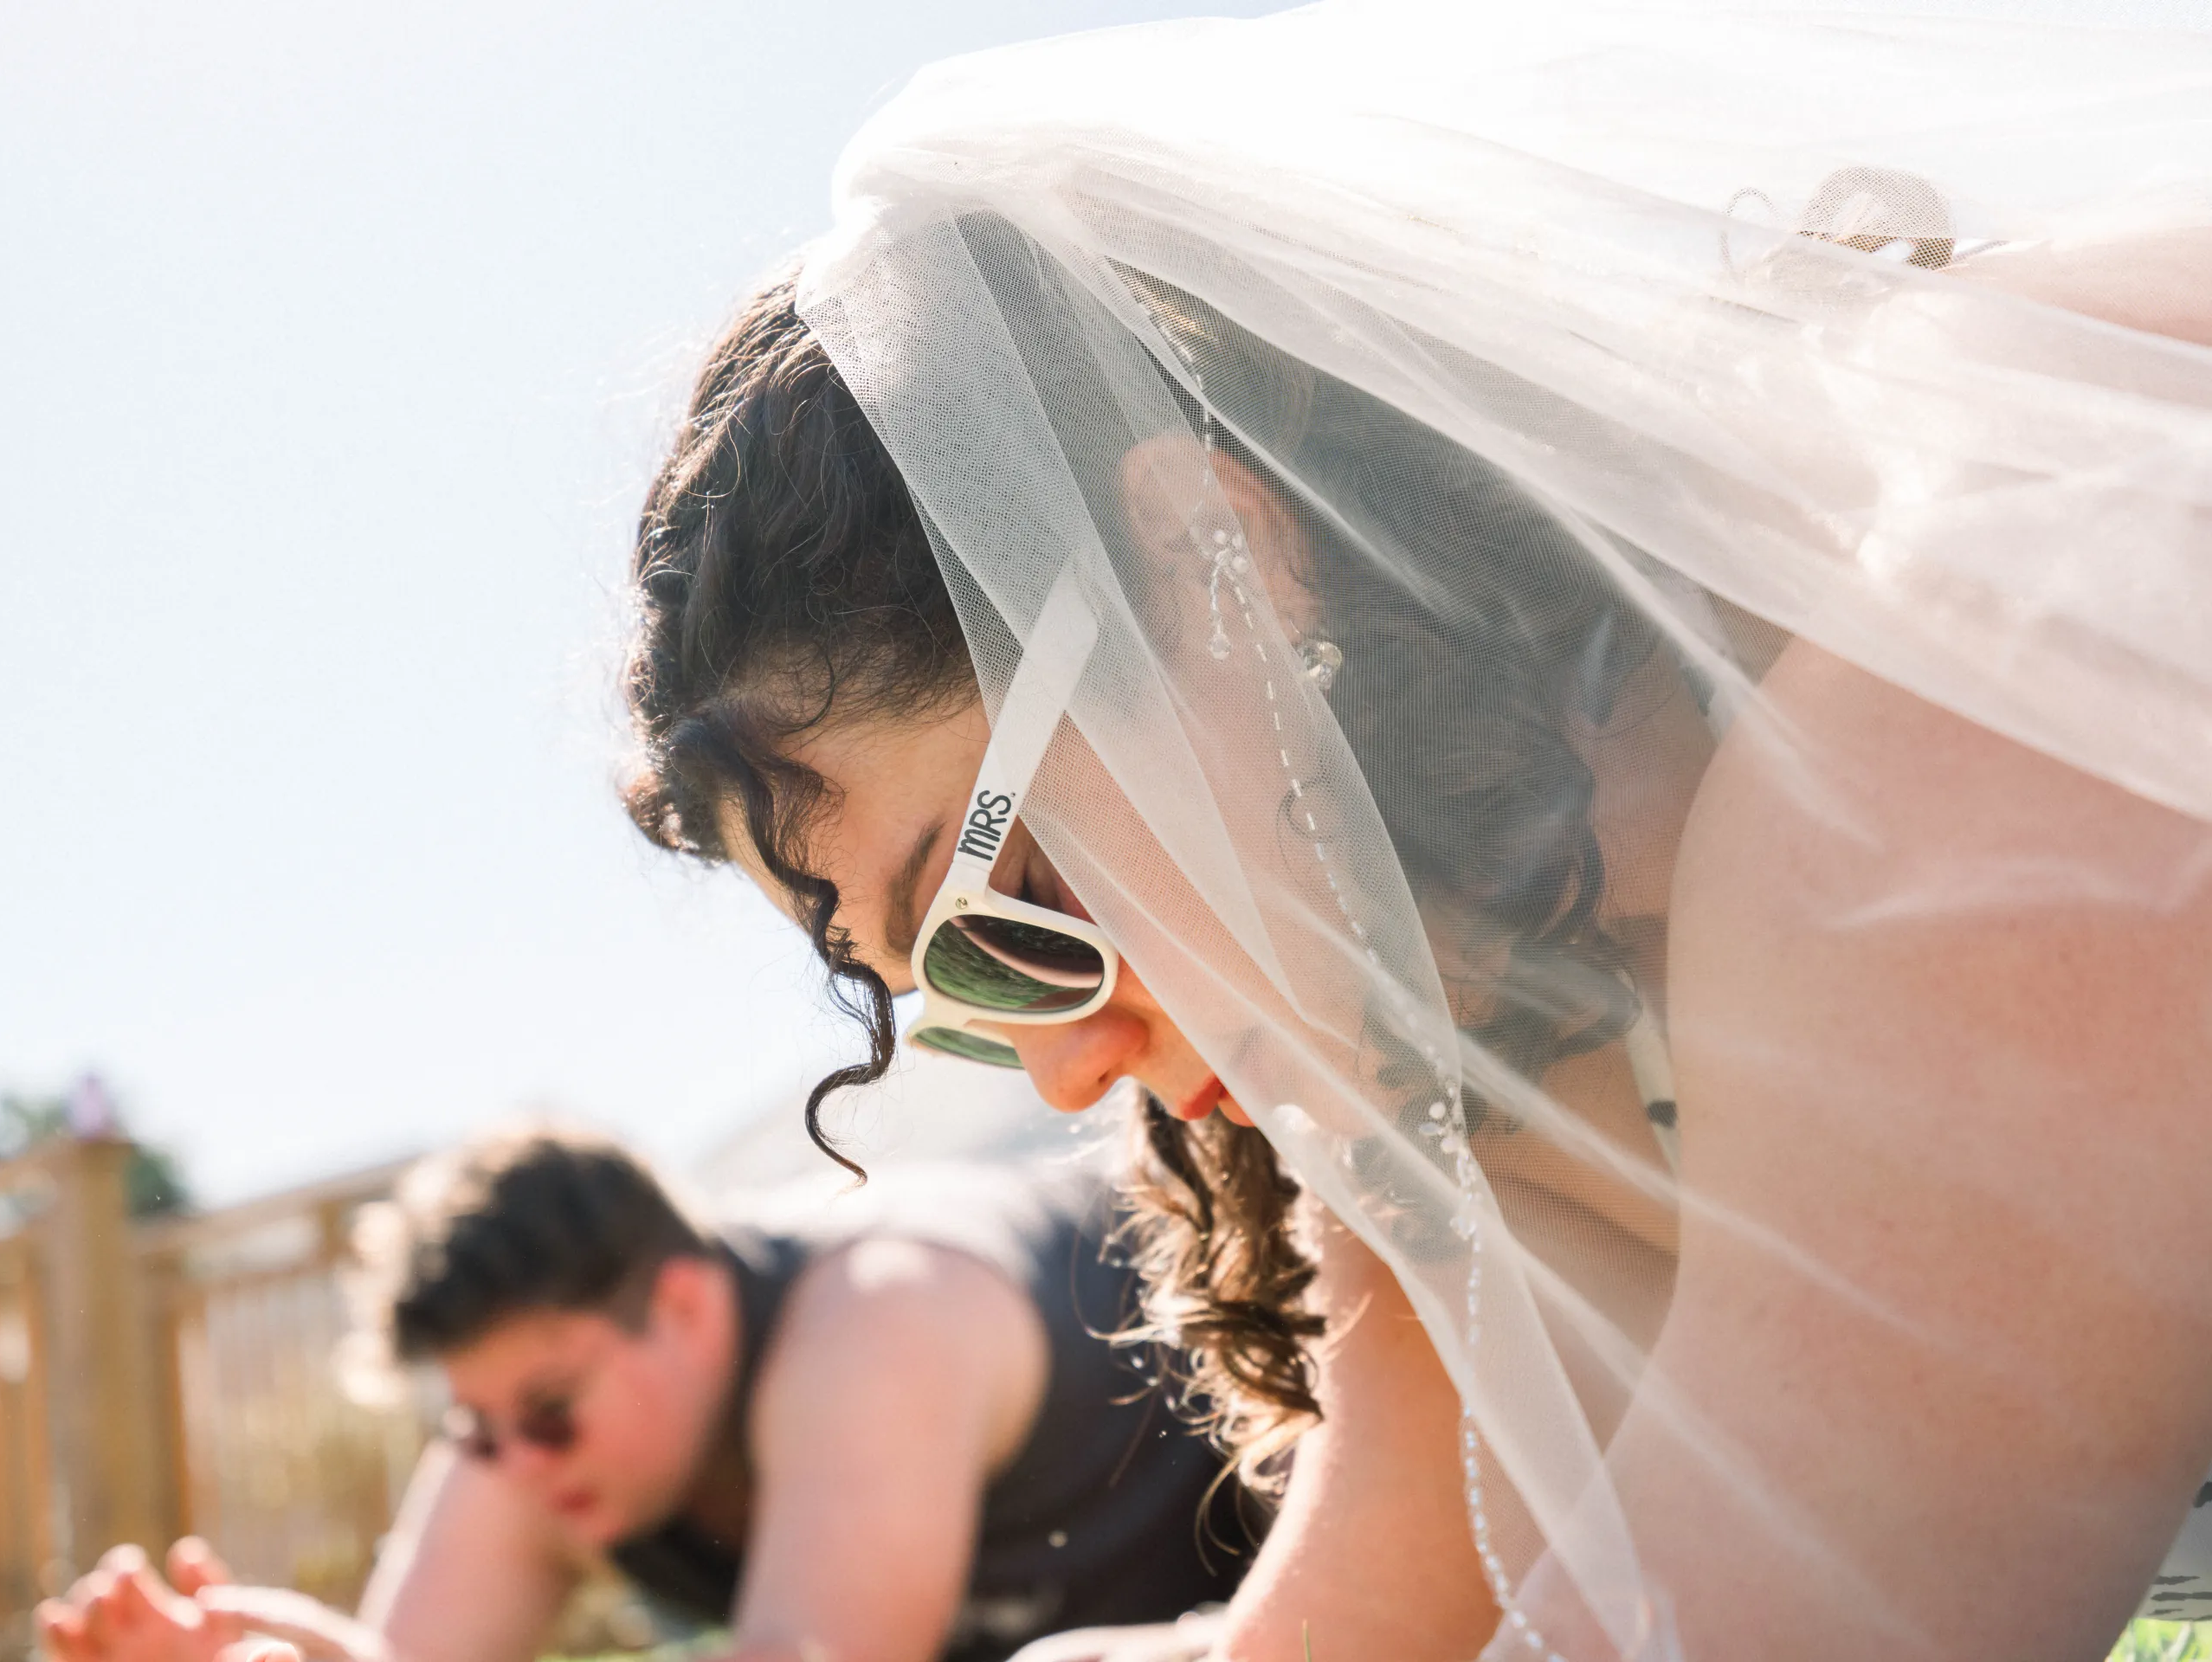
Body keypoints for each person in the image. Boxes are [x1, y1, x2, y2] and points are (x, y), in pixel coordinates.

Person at [615, 4, 2212, 1659]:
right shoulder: (1492, 1100)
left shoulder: (1950, 767)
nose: (1067, 1076)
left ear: (1209, 559)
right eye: (975, 998)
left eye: (1010, 904)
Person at [35, 1127, 1260, 1662]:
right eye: (475, 1426)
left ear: (680, 1306)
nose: (513, 1463)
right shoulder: (526, 1432)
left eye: (550, 1410)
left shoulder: (883, 1310)